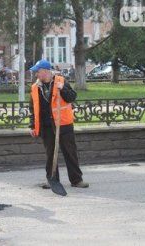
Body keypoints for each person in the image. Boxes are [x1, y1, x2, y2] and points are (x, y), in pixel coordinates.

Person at [28, 59, 89, 189]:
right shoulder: (35, 88)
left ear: (45, 71)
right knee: (50, 154)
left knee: (70, 153)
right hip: (47, 126)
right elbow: (32, 108)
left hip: (63, 124)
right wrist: (32, 125)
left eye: (37, 72)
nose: (36, 75)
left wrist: (63, 89)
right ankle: (52, 180)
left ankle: (76, 180)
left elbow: (72, 97)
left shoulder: (61, 81)